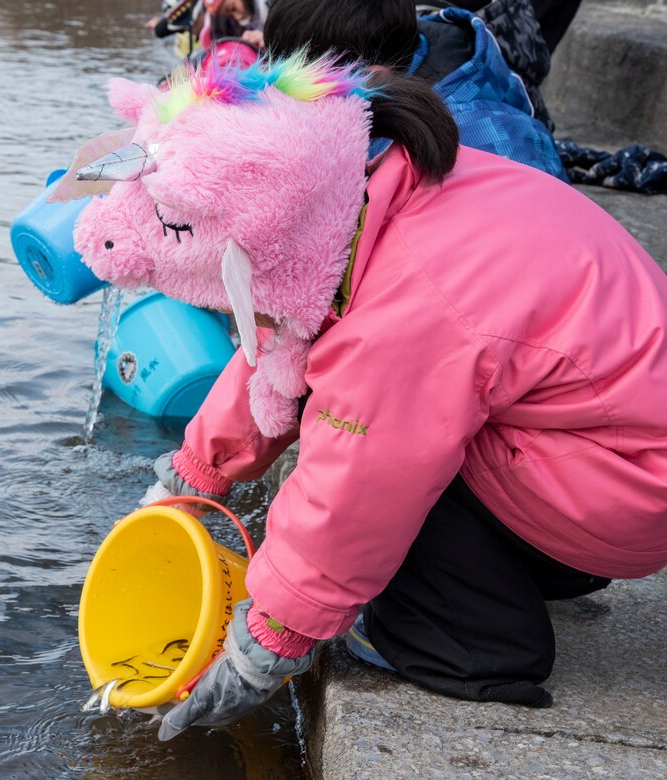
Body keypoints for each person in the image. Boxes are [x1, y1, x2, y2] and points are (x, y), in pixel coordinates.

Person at [71, 54, 667, 738]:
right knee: (382, 424)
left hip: (627, 488)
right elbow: (283, 345)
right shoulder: (368, 198)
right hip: (607, 444)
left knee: (384, 490)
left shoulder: (411, 300)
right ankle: (535, 565)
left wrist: (265, 647)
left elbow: (357, 483)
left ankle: (481, 647)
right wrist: (190, 478)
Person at [264, 0, 568, 181]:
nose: (289, 99)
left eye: (302, 88)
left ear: (371, 80)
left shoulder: (458, 147)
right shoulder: (401, 41)